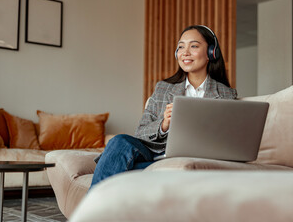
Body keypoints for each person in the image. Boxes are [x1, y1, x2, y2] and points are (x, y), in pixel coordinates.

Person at [90, 25, 237, 189]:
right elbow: (141, 132)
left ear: (211, 52)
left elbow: (228, 141)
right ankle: (90, 210)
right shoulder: (163, 88)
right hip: (154, 154)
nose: (185, 52)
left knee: (122, 172)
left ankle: (95, 208)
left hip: (191, 160)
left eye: (194, 46)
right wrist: (163, 125)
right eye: (181, 46)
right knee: (120, 141)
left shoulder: (226, 94)